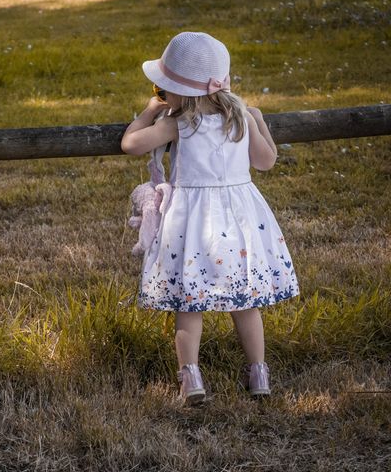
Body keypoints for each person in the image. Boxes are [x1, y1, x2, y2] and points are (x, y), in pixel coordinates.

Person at [121, 32, 300, 405]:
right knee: (245, 302)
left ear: (173, 91)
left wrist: (150, 111)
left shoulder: (178, 123)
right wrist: (258, 118)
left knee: (190, 304)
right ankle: (259, 374)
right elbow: (266, 161)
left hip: (193, 224)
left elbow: (131, 144)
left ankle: (191, 380)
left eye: (162, 89)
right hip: (239, 222)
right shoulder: (239, 119)